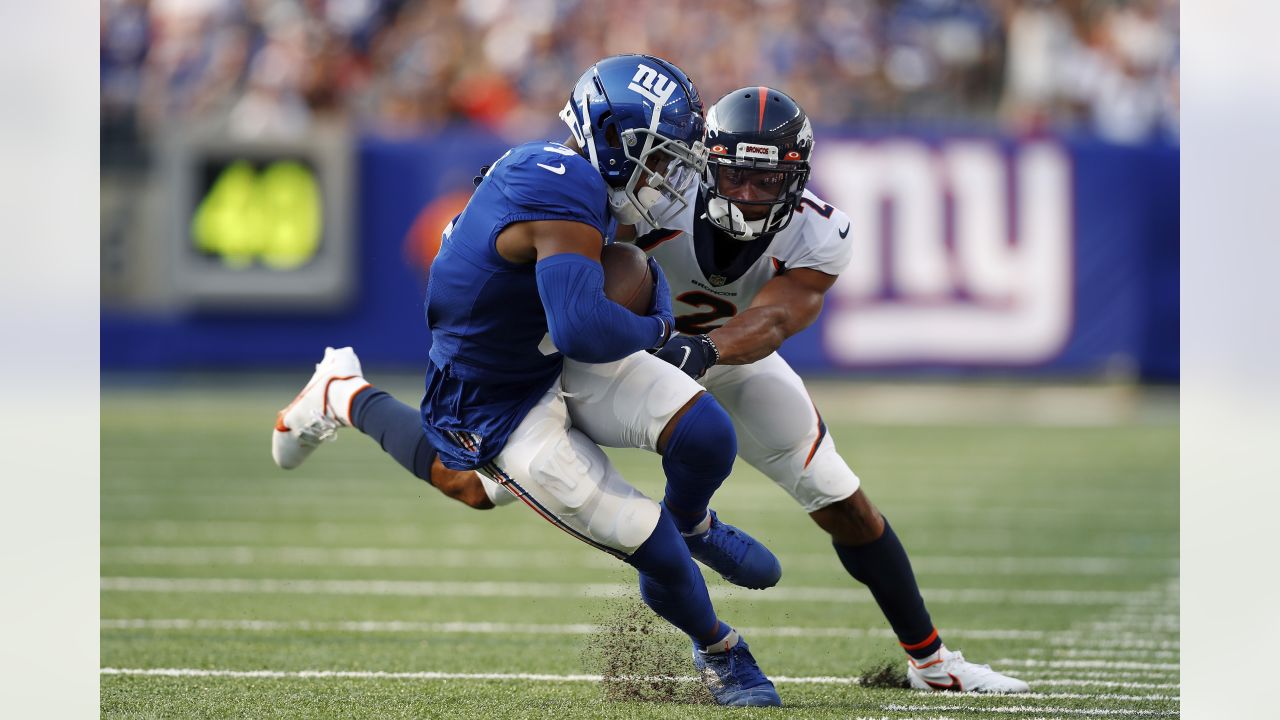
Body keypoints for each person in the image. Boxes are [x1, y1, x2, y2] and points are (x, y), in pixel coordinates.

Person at [461, 86, 1033, 693]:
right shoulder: (650, 195)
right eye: (735, 175)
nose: (749, 195)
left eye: (768, 182)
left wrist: (703, 351)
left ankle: (933, 662)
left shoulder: (818, 231)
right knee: (479, 485)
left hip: (720, 356)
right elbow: (560, 251)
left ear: (797, 180)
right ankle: (360, 401)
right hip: (616, 360)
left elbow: (778, 318)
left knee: (841, 497)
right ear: (705, 160)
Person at [270, 55, 781, 707]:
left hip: (542, 348)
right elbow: (583, 329)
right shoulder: (562, 184)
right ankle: (721, 652)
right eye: (656, 156)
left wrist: (637, 289)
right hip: (495, 394)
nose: (667, 175)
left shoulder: (565, 173)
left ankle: (692, 524)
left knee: (707, 433)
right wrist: (659, 331)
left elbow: (581, 291)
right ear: (610, 138)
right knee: (525, 502)